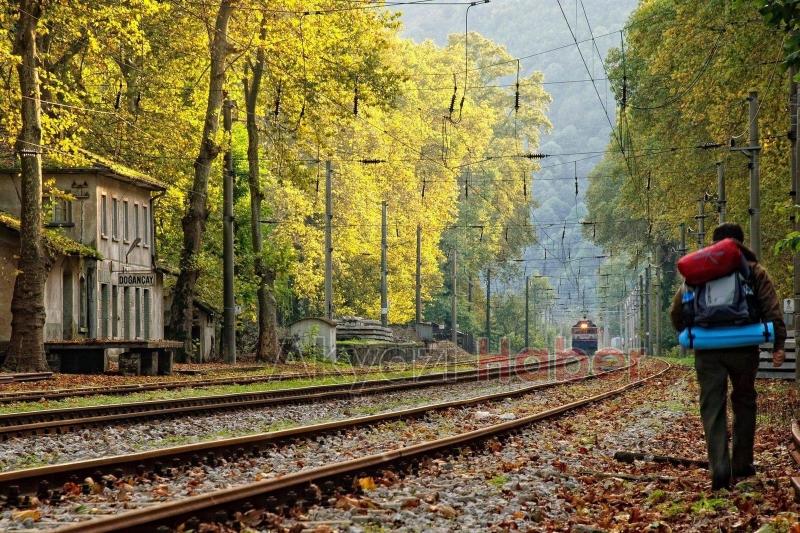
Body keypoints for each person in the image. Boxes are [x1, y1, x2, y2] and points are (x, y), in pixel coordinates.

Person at [669, 223, 786, 490]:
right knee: (744, 401)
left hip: (708, 350)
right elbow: (771, 309)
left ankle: (719, 467)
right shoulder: (753, 270)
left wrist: (692, 333)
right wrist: (778, 345)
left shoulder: (700, 270)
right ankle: (742, 464)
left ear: (714, 243)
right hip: (744, 347)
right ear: (741, 242)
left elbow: (677, 310)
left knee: (712, 405)